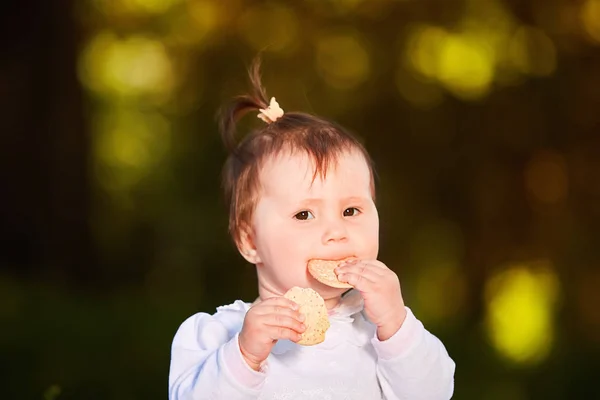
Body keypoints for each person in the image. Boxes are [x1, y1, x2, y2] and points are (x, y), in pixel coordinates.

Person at [168, 58, 455, 400]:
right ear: (250, 240)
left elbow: (435, 393)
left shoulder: (379, 332)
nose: (337, 231)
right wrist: (244, 357)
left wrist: (396, 324)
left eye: (351, 210)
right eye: (304, 214)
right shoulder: (216, 334)